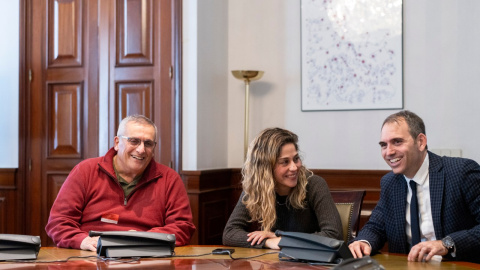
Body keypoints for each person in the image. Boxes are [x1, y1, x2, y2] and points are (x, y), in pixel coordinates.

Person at [45, 115, 195, 251]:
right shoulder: (85, 171)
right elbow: (58, 222)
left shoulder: (169, 179)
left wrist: (142, 239)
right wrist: (82, 241)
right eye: (134, 141)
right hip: (92, 254)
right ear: (117, 143)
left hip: (146, 254)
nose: (141, 150)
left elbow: (183, 227)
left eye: (148, 144)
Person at [349, 110, 480, 263]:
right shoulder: (390, 182)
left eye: (397, 142)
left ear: (421, 142)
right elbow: (376, 226)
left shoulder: (460, 172)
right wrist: (364, 242)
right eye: (384, 145)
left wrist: (447, 244)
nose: (389, 152)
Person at [222, 127, 342, 249]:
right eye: (285, 162)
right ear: (266, 168)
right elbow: (230, 233)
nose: (294, 167)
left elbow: (334, 235)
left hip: (310, 263)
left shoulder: (314, 184)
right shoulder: (256, 188)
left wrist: (282, 239)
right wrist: (268, 242)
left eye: (296, 159)